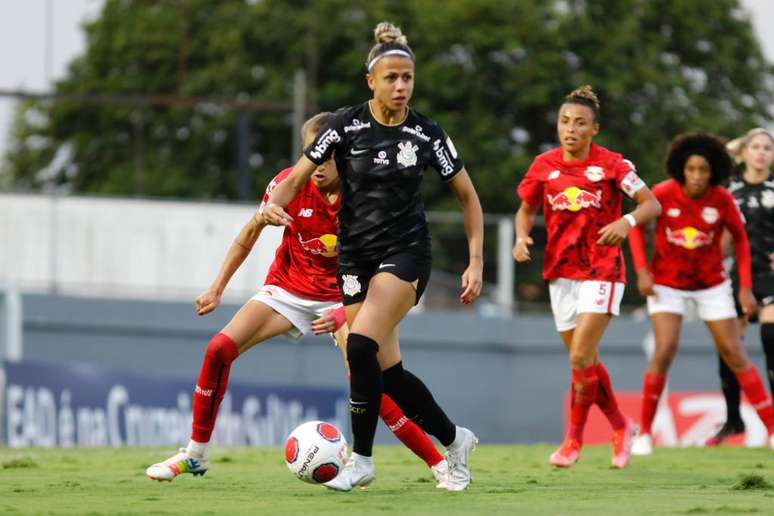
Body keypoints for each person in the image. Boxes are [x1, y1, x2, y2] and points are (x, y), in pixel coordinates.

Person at [145, 112, 449, 485]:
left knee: (369, 378)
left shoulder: (368, 193)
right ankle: (195, 455)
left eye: (327, 156)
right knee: (218, 349)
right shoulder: (288, 185)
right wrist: (217, 287)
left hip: (347, 293)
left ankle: (438, 463)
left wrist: (342, 311)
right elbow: (249, 233)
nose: (318, 165)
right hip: (288, 289)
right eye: (311, 154)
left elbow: (386, 266)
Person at [263, 22, 484, 492]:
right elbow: (298, 176)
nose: (401, 86)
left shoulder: (427, 133)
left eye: (407, 77)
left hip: (405, 254)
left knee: (359, 345)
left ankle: (360, 461)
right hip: (355, 260)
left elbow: (468, 197)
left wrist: (477, 260)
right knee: (387, 373)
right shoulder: (345, 126)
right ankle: (455, 439)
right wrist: (273, 207)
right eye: (391, 78)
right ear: (371, 81)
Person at [513, 85, 661, 469]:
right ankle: (620, 425)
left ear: (595, 129)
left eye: (580, 123)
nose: (571, 129)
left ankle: (573, 441)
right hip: (560, 273)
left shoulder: (613, 164)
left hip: (603, 269)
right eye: (565, 122)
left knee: (580, 355)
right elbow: (526, 208)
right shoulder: (544, 165)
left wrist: (625, 222)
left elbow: (651, 204)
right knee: (586, 361)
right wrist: (521, 235)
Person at [628, 132, 774, 455]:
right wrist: (641, 272)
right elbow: (635, 228)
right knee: (664, 350)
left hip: (712, 286)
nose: (696, 176)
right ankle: (644, 434)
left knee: (734, 353)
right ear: (681, 168)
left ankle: (772, 429)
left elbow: (741, 241)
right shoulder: (663, 193)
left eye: (703, 170)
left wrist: (745, 288)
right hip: (667, 284)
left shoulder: (722, 199)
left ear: (714, 172)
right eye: (691, 169)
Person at [706, 128, 774, 446]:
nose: (761, 153)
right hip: (739, 278)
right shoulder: (729, 190)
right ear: (744, 152)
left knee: (770, 337)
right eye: (755, 147)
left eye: (767, 148)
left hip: (771, 278)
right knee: (730, 348)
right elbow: (724, 238)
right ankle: (734, 420)